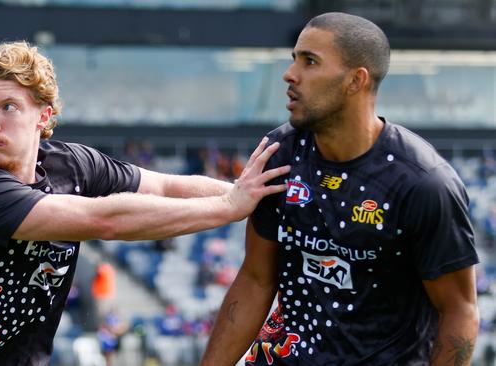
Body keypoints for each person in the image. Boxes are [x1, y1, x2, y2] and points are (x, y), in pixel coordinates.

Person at [0, 41, 290, 366]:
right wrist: (228, 207)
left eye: (8, 107)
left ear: (44, 117)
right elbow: (102, 221)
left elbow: (163, 187)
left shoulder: (72, 164)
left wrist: (249, 192)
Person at [201, 12, 479, 366]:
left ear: (355, 80)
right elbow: (256, 279)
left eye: (310, 61)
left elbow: (459, 312)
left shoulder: (425, 184)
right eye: (294, 59)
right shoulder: (280, 154)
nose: (290, 74)